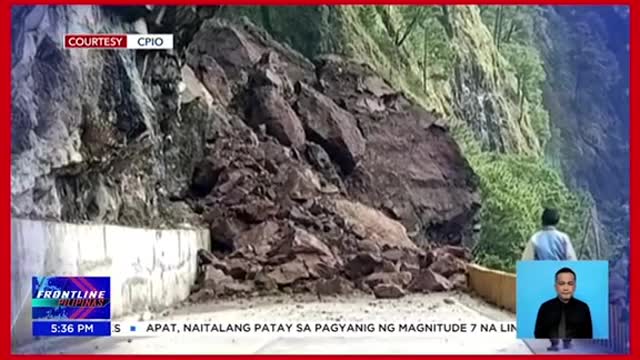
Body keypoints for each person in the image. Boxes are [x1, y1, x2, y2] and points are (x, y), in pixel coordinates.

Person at [533, 267, 593, 351]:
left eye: (570, 283)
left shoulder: (583, 308)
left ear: (575, 286)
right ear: (555, 286)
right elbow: (538, 334)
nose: (565, 288)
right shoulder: (545, 307)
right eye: (561, 283)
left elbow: (588, 336)